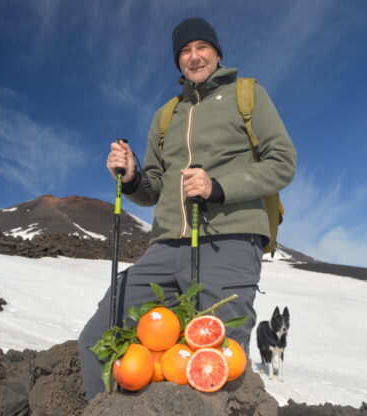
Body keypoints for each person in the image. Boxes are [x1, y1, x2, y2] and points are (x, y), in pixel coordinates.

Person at [79, 17, 296, 399]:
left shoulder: (248, 95)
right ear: (177, 60)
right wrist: (131, 177)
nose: (194, 56)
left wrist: (219, 187)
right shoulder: (165, 116)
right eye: (184, 51)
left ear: (217, 52)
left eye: (202, 47)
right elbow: (155, 189)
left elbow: (282, 162)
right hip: (164, 247)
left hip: (228, 241)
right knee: (98, 336)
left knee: (217, 366)